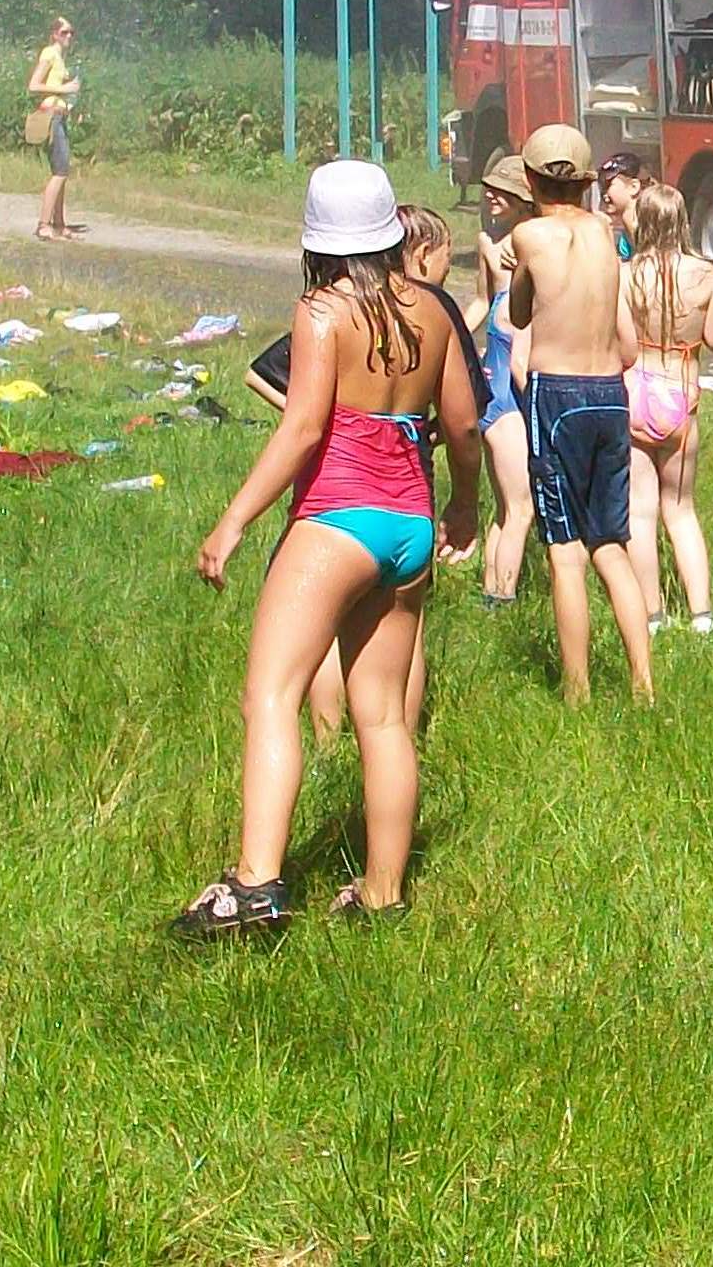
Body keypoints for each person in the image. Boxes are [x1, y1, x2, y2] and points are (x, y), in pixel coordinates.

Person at [180, 161, 482, 936]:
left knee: (270, 696)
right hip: (410, 524)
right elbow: (462, 426)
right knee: (382, 717)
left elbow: (304, 427)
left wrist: (233, 520)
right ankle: (383, 892)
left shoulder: (322, 311)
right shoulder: (434, 311)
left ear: (317, 241)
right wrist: (464, 503)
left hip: (336, 518)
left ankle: (255, 884)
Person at [506, 123, 656, 707]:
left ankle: (577, 691)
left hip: (557, 394)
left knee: (565, 552)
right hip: (609, 393)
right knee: (610, 543)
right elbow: (624, 335)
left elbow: (520, 314)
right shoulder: (603, 233)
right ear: (589, 182)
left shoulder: (528, 236)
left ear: (530, 179)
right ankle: (643, 683)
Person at [621, 183, 713, 633]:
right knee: (681, 509)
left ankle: (652, 614)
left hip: (635, 393)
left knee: (640, 511)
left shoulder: (625, 275)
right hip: (682, 395)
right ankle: (701, 614)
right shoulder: (707, 274)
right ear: (683, 220)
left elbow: (622, 344)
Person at [468, 154, 539, 605]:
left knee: (505, 508)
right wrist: (454, 342)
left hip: (493, 393)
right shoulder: (493, 245)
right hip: (508, 396)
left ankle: (491, 592)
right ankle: (503, 599)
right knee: (522, 508)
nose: (491, 195)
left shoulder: (525, 246)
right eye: (490, 188)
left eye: (504, 190)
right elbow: (482, 303)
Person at [29, 17, 80, 241]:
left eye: (71, 32)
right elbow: (34, 85)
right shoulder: (49, 53)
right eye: (64, 32)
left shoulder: (61, 59)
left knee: (62, 170)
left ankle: (59, 224)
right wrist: (64, 89)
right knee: (60, 171)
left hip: (60, 115)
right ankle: (44, 224)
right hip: (51, 116)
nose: (68, 36)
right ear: (54, 34)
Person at [597, 149, 652, 254]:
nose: (604, 194)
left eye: (609, 185)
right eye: (602, 187)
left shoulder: (652, 229)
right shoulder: (623, 237)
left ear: (633, 187)